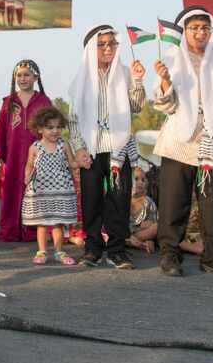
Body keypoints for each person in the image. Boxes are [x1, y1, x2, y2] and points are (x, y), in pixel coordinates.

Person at [152, 6, 213, 279]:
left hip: (211, 142)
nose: (200, 32)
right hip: (179, 141)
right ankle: (169, 254)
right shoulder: (172, 61)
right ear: (185, 31)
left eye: (205, 27)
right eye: (194, 28)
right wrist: (165, 83)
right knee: (173, 202)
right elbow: (167, 108)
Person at [69, 25, 146, 269]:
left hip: (118, 149)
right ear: (92, 49)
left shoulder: (124, 73)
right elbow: (73, 119)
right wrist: (79, 149)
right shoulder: (82, 78)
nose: (107, 48)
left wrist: (138, 81)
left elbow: (136, 107)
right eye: (101, 44)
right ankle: (92, 249)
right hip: (91, 149)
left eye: (112, 43)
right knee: (91, 200)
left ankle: (116, 250)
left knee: (119, 199)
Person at [0, 59, 52, 242]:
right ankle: (10, 228)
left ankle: (35, 230)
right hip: (14, 154)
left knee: (35, 189)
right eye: (19, 75)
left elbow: (51, 127)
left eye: (27, 75)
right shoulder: (9, 102)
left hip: (38, 154)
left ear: (36, 77)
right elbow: (1, 128)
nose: (23, 78)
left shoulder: (43, 101)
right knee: (12, 189)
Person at [22, 107, 79, 265]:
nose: (55, 131)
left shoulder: (64, 145)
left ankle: (59, 251)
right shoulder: (35, 147)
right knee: (42, 223)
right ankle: (42, 251)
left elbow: (72, 162)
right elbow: (29, 165)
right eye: (50, 127)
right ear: (40, 128)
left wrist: (81, 163)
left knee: (57, 223)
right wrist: (26, 176)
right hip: (41, 189)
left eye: (58, 127)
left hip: (60, 188)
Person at [127, 168, 158, 254]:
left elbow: (153, 222)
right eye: (136, 179)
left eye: (143, 180)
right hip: (125, 232)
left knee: (158, 226)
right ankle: (134, 241)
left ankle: (132, 242)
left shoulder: (148, 202)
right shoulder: (123, 199)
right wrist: (139, 226)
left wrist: (148, 224)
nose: (140, 182)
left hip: (142, 232)